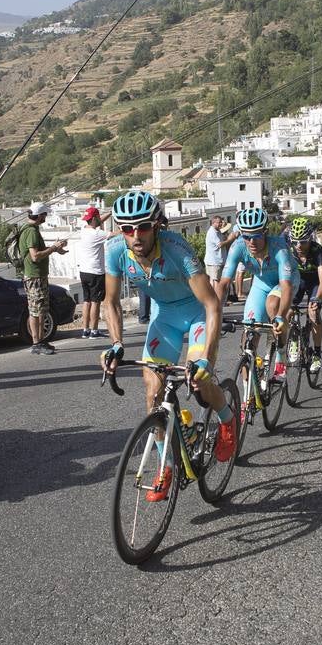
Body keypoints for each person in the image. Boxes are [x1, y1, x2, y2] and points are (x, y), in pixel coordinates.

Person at [100, 191, 237, 499]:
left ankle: (227, 420)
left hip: (197, 314)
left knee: (201, 381)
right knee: (153, 393)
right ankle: (167, 464)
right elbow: (111, 302)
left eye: (143, 227)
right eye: (127, 228)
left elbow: (212, 305)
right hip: (164, 318)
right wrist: (116, 344)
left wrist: (206, 359)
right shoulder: (115, 251)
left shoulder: (177, 249)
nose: (136, 235)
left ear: (157, 225)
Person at [215, 208, 299, 376]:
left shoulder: (279, 248)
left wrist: (281, 317)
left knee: (273, 304)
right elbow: (223, 284)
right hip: (261, 285)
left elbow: (286, 286)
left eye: (257, 236)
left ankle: (281, 352)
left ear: (265, 232)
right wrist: (214, 313)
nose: (251, 242)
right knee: (250, 332)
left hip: (285, 282)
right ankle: (249, 386)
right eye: (246, 236)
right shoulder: (238, 247)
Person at [21, 200, 69, 354]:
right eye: (44, 214)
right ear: (39, 215)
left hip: (37, 276)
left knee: (40, 310)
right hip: (35, 277)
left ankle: (41, 341)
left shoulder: (31, 229)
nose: (46, 217)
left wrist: (55, 249)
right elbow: (35, 256)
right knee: (36, 310)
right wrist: (54, 248)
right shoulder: (31, 232)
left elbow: (37, 251)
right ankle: (37, 343)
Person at [288, 217, 322, 374]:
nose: (299, 246)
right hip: (298, 281)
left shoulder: (318, 251)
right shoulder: (289, 250)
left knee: (313, 313)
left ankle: (317, 354)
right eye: (295, 242)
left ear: (310, 238)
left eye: (303, 242)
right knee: (288, 311)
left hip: (315, 283)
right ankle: (293, 339)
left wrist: (317, 299)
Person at [76, 205, 111, 338]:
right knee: (96, 301)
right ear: (95, 218)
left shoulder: (84, 230)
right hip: (95, 272)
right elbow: (115, 234)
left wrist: (110, 213)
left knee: (87, 301)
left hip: (84, 271)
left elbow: (99, 220)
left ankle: (85, 330)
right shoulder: (97, 234)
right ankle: (94, 331)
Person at [204, 213, 237, 286]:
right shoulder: (212, 232)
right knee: (216, 281)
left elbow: (223, 239)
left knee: (218, 280)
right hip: (214, 262)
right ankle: (216, 293)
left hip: (218, 261)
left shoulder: (217, 231)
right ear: (213, 223)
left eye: (221, 222)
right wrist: (231, 239)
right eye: (219, 222)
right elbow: (220, 244)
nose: (221, 224)